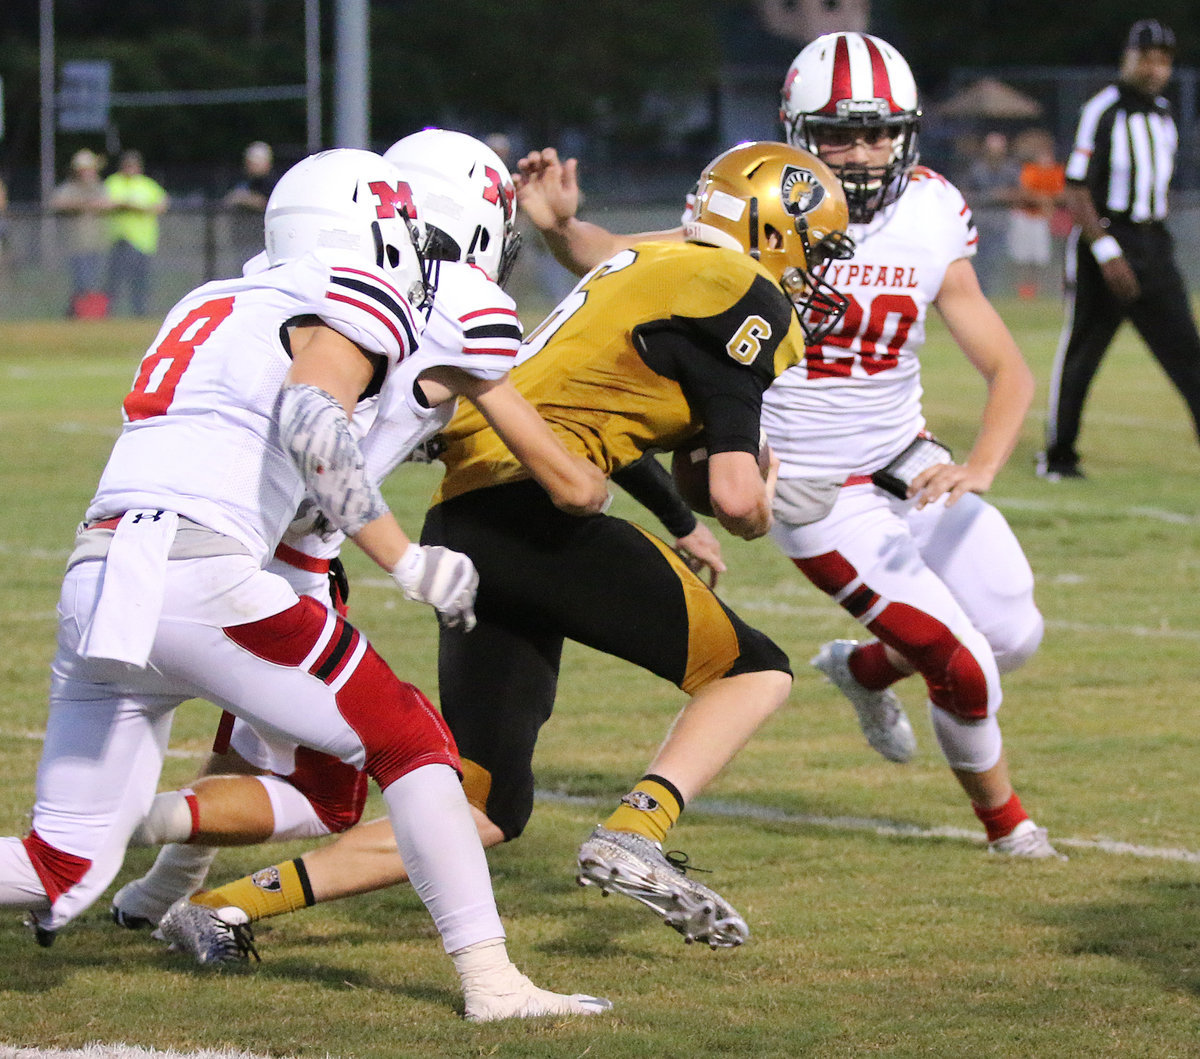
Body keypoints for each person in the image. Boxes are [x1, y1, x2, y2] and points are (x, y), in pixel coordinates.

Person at [0, 146, 611, 1023]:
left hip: (101, 568)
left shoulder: (211, 296)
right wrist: (402, 556)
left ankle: (162, 875)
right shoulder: (359, 293)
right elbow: (311, 419)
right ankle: (493, 982)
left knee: (58, 863)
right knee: (415, 742)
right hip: (207, 571)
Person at [515, 30, 1060, 859]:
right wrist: (562, 229)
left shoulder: (932, 209)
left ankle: (865, 669)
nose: (864, 153)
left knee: (1015, 635)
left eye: (879, 132)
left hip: (908, 460)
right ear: (798, 132)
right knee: (964, 663)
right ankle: (1010, 831)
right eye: (840, 133)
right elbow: (634, 260)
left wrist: (981, 464)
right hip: (812, 487)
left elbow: (1006, 364)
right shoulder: (765, 197)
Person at [1040, 18, 1200, 481]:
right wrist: (1107, 250)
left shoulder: (1164, 113)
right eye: (1146, 58)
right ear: (1127, 58)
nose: (1154, 69)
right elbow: (1075, 188)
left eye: (1163, 60)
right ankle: (1059, 457)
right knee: (1083, 353)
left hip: (1153, 243)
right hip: (1105, 242)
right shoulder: (1103, 109)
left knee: (1188, 353)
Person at [104, 149, 169, 316]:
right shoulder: (114, 182)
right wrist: (126, 205)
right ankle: (109, 313)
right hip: (119, 241)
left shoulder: (147, 185)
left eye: (133, 165)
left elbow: (163, 204)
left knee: (139, 282)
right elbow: (106, 203)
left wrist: (142, 208)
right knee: (114, 281)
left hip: (143, 243)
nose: (130, 168)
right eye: (127, 165)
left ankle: (139, 313)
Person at [49, 149, 112, 317]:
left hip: (99, 244)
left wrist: (94, 204)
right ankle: (78, 314)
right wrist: (83, 204)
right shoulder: (69, 188)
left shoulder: (99, 187)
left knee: (95, 282)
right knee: (81, 283)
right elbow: (57, 203)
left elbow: (109, 203)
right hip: (76, 246)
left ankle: (93, 314)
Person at [961, 131, 1020, 297]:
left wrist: (1006, 195)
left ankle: (1000, 292)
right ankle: (979, 291)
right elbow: (964, 194)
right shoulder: (976, 170)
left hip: (1002, 221)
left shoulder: (1010, 170)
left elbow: (1019, 193)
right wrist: (989, 196)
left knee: (998, 259)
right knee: (980, 260)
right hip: (981, 220)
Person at [1008, 131, 1065, 300]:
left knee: (1040, 258)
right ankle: (1023, 291)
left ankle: (1038, 290)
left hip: (1041, 219)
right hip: (1025, 216)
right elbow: (1024, 192)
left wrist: (1047, 201)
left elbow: (1062, 193)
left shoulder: (1056, 170)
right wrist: (1043, 199)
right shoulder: (1029, 170)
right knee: (1022, 257)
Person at [222, 141, 277, 263]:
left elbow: (267, 203)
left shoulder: (272, 183)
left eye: (254, 162)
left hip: (262, 241)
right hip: (244, 239)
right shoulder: (246, 182)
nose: (249, 165)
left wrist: (244, 198)